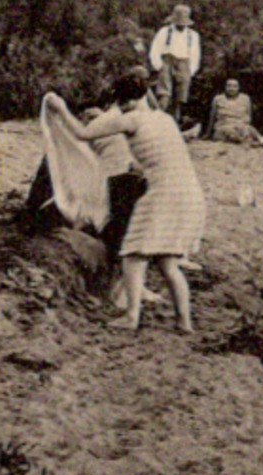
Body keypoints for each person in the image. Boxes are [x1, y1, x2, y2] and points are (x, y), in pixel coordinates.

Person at [46, 71, 205, 332]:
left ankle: (131, 317)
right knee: (167, 263)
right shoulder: (164, 118)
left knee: (132, 255)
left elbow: (82, 134)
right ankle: (184, 321)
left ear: (125, 102)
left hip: (163, 192)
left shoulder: (130, 119)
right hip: (189, 191)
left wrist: (61, 108)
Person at [148, 4, 201, 125]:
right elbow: (155, 50)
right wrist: (159, 66)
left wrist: (191, 71)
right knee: (164, 95)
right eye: (179, 23)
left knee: (179, 98)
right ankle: (156, 123)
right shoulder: (165, 32)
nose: (181, 26)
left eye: (184, 24)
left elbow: (195, 54)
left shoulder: (192, 35)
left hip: (184, 63)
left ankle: (173, 124)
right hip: (167, 62)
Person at [207, 78, 262, 144]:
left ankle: (259, 140)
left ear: (238, 88)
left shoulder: (245, 98)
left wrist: (244, 125)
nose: (231, 89)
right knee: (229, 132)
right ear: (225, 87)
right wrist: (208, 133)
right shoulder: (218, 99)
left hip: (241, 126)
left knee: (249, 130)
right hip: (224, 126)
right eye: (229, 86)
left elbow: (249, 116)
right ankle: (241, 140)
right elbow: (212, 118)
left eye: (234, 86)